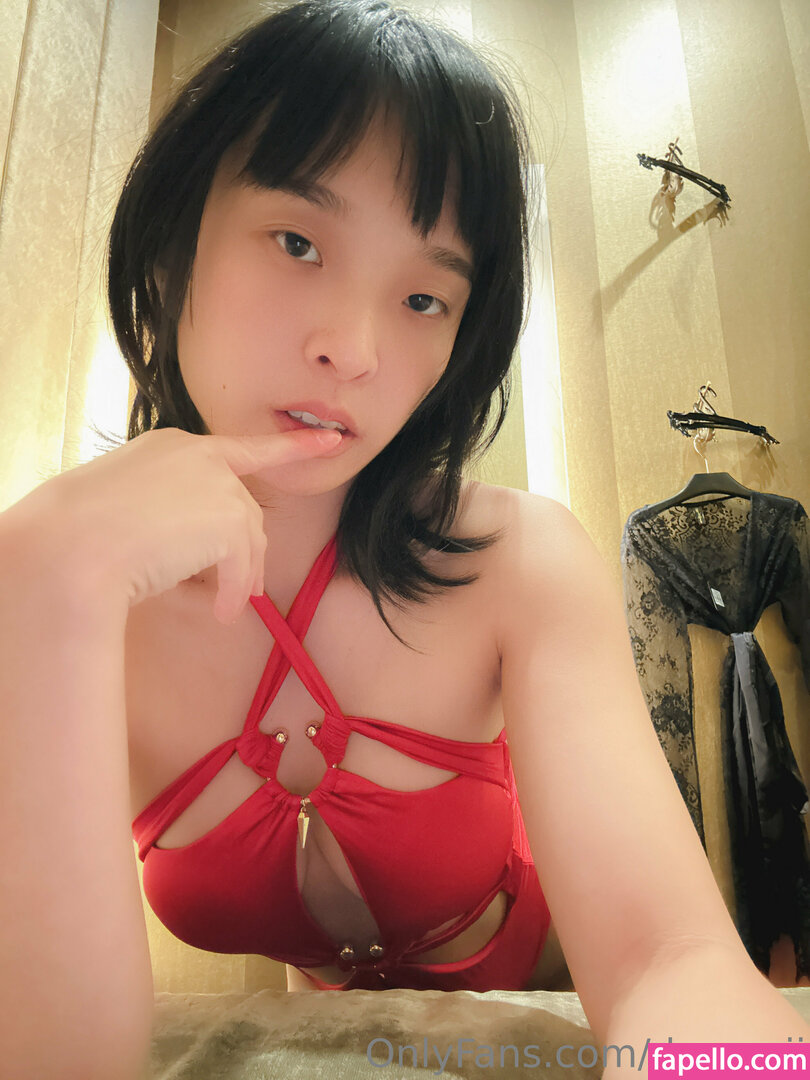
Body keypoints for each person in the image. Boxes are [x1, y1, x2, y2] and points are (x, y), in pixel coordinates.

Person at [1, 1, 808, 1077]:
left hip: (546, 992)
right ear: (171, 240)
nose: (354, 349)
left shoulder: (517, 561)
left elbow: (670, 959)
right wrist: (39, 577)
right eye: (297, 242)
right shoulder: (72, 588)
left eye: (425, 297)